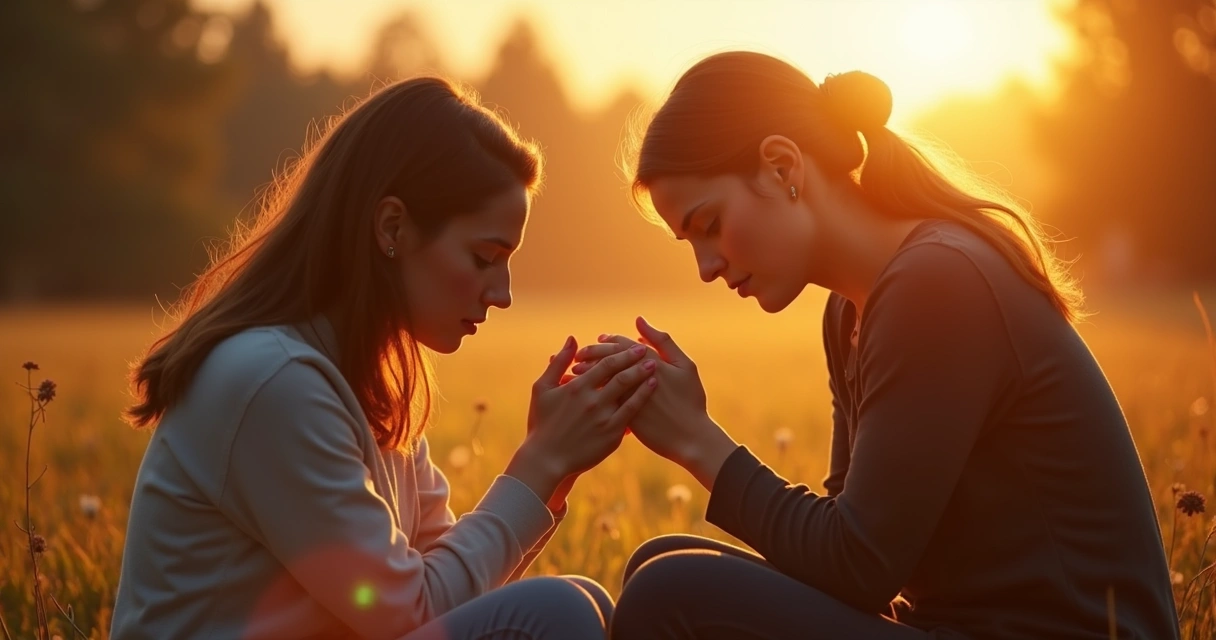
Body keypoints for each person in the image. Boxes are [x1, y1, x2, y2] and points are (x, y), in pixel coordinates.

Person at [572, 51, 1180, 639]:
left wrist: (695, 440)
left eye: (709, 225)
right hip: (951, 628)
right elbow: (842, 557)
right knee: (660, 561)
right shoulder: (851, 311)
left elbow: (857, 566)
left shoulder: (936, 283)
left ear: (783, 167)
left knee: (671, 593)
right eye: (690, 244)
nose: (706, 266)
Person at [110, 77, 657, 640]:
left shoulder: (371, 380)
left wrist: (556, 468)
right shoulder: (272, 381)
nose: (503, 294)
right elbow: (409, 610)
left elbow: (453, 589)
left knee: (583, 601)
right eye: (483, 257)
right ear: (392, 227)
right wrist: (537, 464)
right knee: (556, 613)